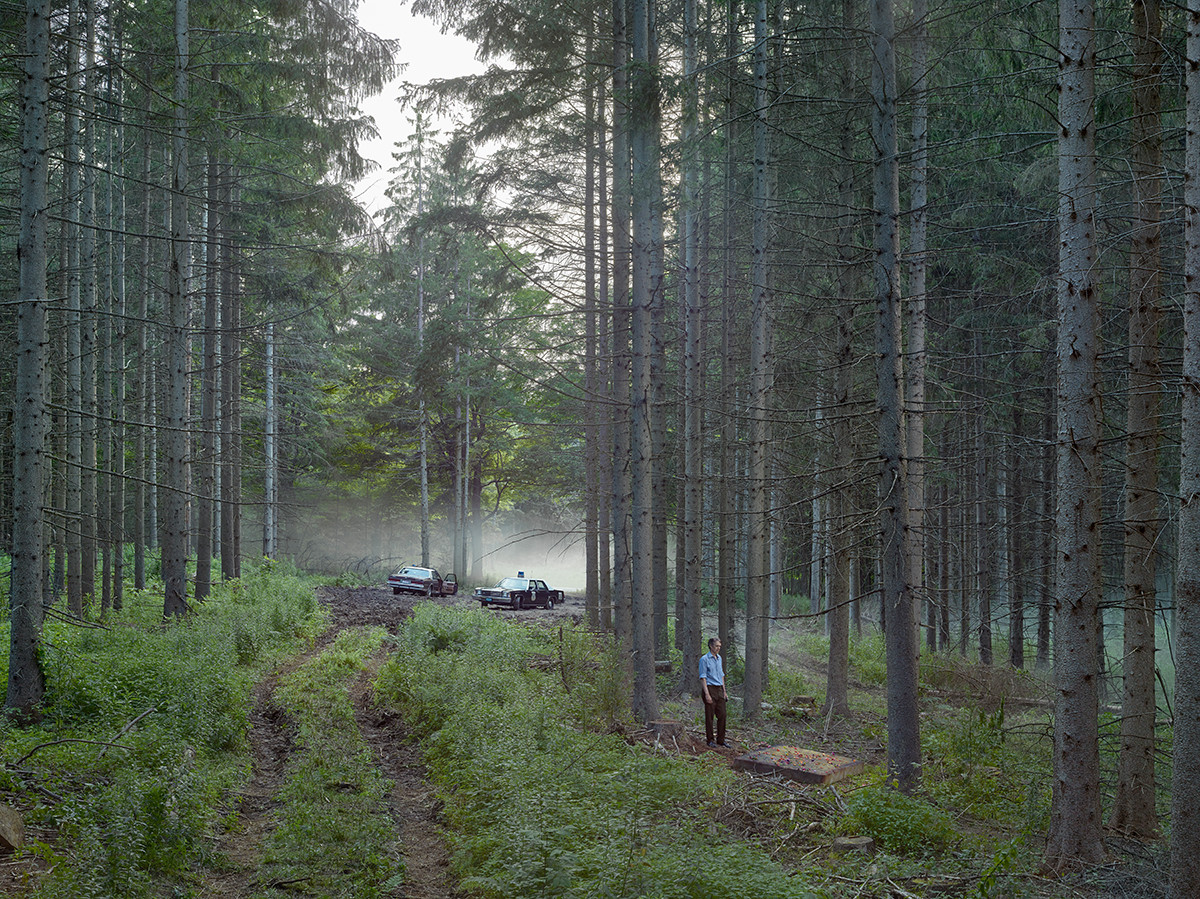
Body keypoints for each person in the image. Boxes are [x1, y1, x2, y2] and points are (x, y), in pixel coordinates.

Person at [699, 636, 727, 747]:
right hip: (709, 688)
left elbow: (722, 676)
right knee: (710, 716)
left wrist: (724, 691)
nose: (718, 648)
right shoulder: (704, 659)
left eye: (719, 646)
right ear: (711, 646)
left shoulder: (719, 658)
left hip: (719, 689)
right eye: (716, 646)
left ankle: (721, 740)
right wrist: (707, 694)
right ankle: (710, 740)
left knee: (723, 715)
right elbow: (703, 677)